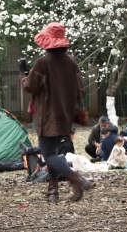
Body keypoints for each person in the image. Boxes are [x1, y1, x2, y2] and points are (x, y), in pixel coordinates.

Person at [21, 22, 90, 202]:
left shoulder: (43, 62)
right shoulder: (71, 62)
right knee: (52, 150)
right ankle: (53, 192)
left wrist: (23, 77)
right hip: (65, 115)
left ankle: (77, 179)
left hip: (47, 115)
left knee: (49, 154)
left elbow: (30, 86)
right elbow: (80, 90)